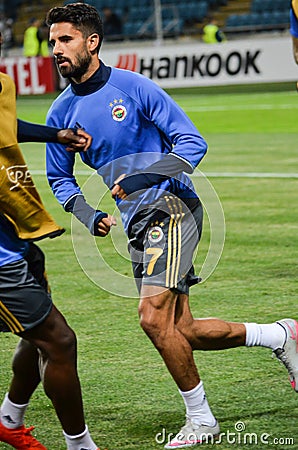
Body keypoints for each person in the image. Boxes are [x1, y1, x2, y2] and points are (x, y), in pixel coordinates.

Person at [45, 3, 298, 448]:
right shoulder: (60, 112)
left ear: (92, 42)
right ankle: (280, 335)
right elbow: (59, 177)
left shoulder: (134, 87)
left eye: (65, 40)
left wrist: (145, 175)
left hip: (173, 206)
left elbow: (192, 142)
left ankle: (202, 419)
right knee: (183, 331)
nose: (56, 50)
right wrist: (87, 212)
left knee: (151, 318)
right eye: (52, 43)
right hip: (136, 223)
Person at [0, 31, 101, 450]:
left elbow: (5, 128)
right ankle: (80, 446)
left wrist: (55, 135)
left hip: (14, 236)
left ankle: (8, 418)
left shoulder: (2, 82)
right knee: (59, 340)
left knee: (37, 334)